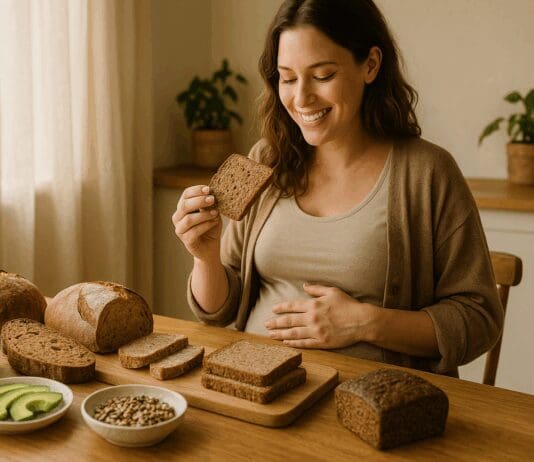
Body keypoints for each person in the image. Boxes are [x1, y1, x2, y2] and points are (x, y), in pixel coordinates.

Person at [171, 0, 503, 376]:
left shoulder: (427, 173)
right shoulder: (267, 161)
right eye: (287, 77)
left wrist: (365, 323)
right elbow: (220, 309)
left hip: (374, 409)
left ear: (371, 65)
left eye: (323, 75)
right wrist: (205, 256)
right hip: (255, 394)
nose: (301, 98)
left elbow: (479, 319)